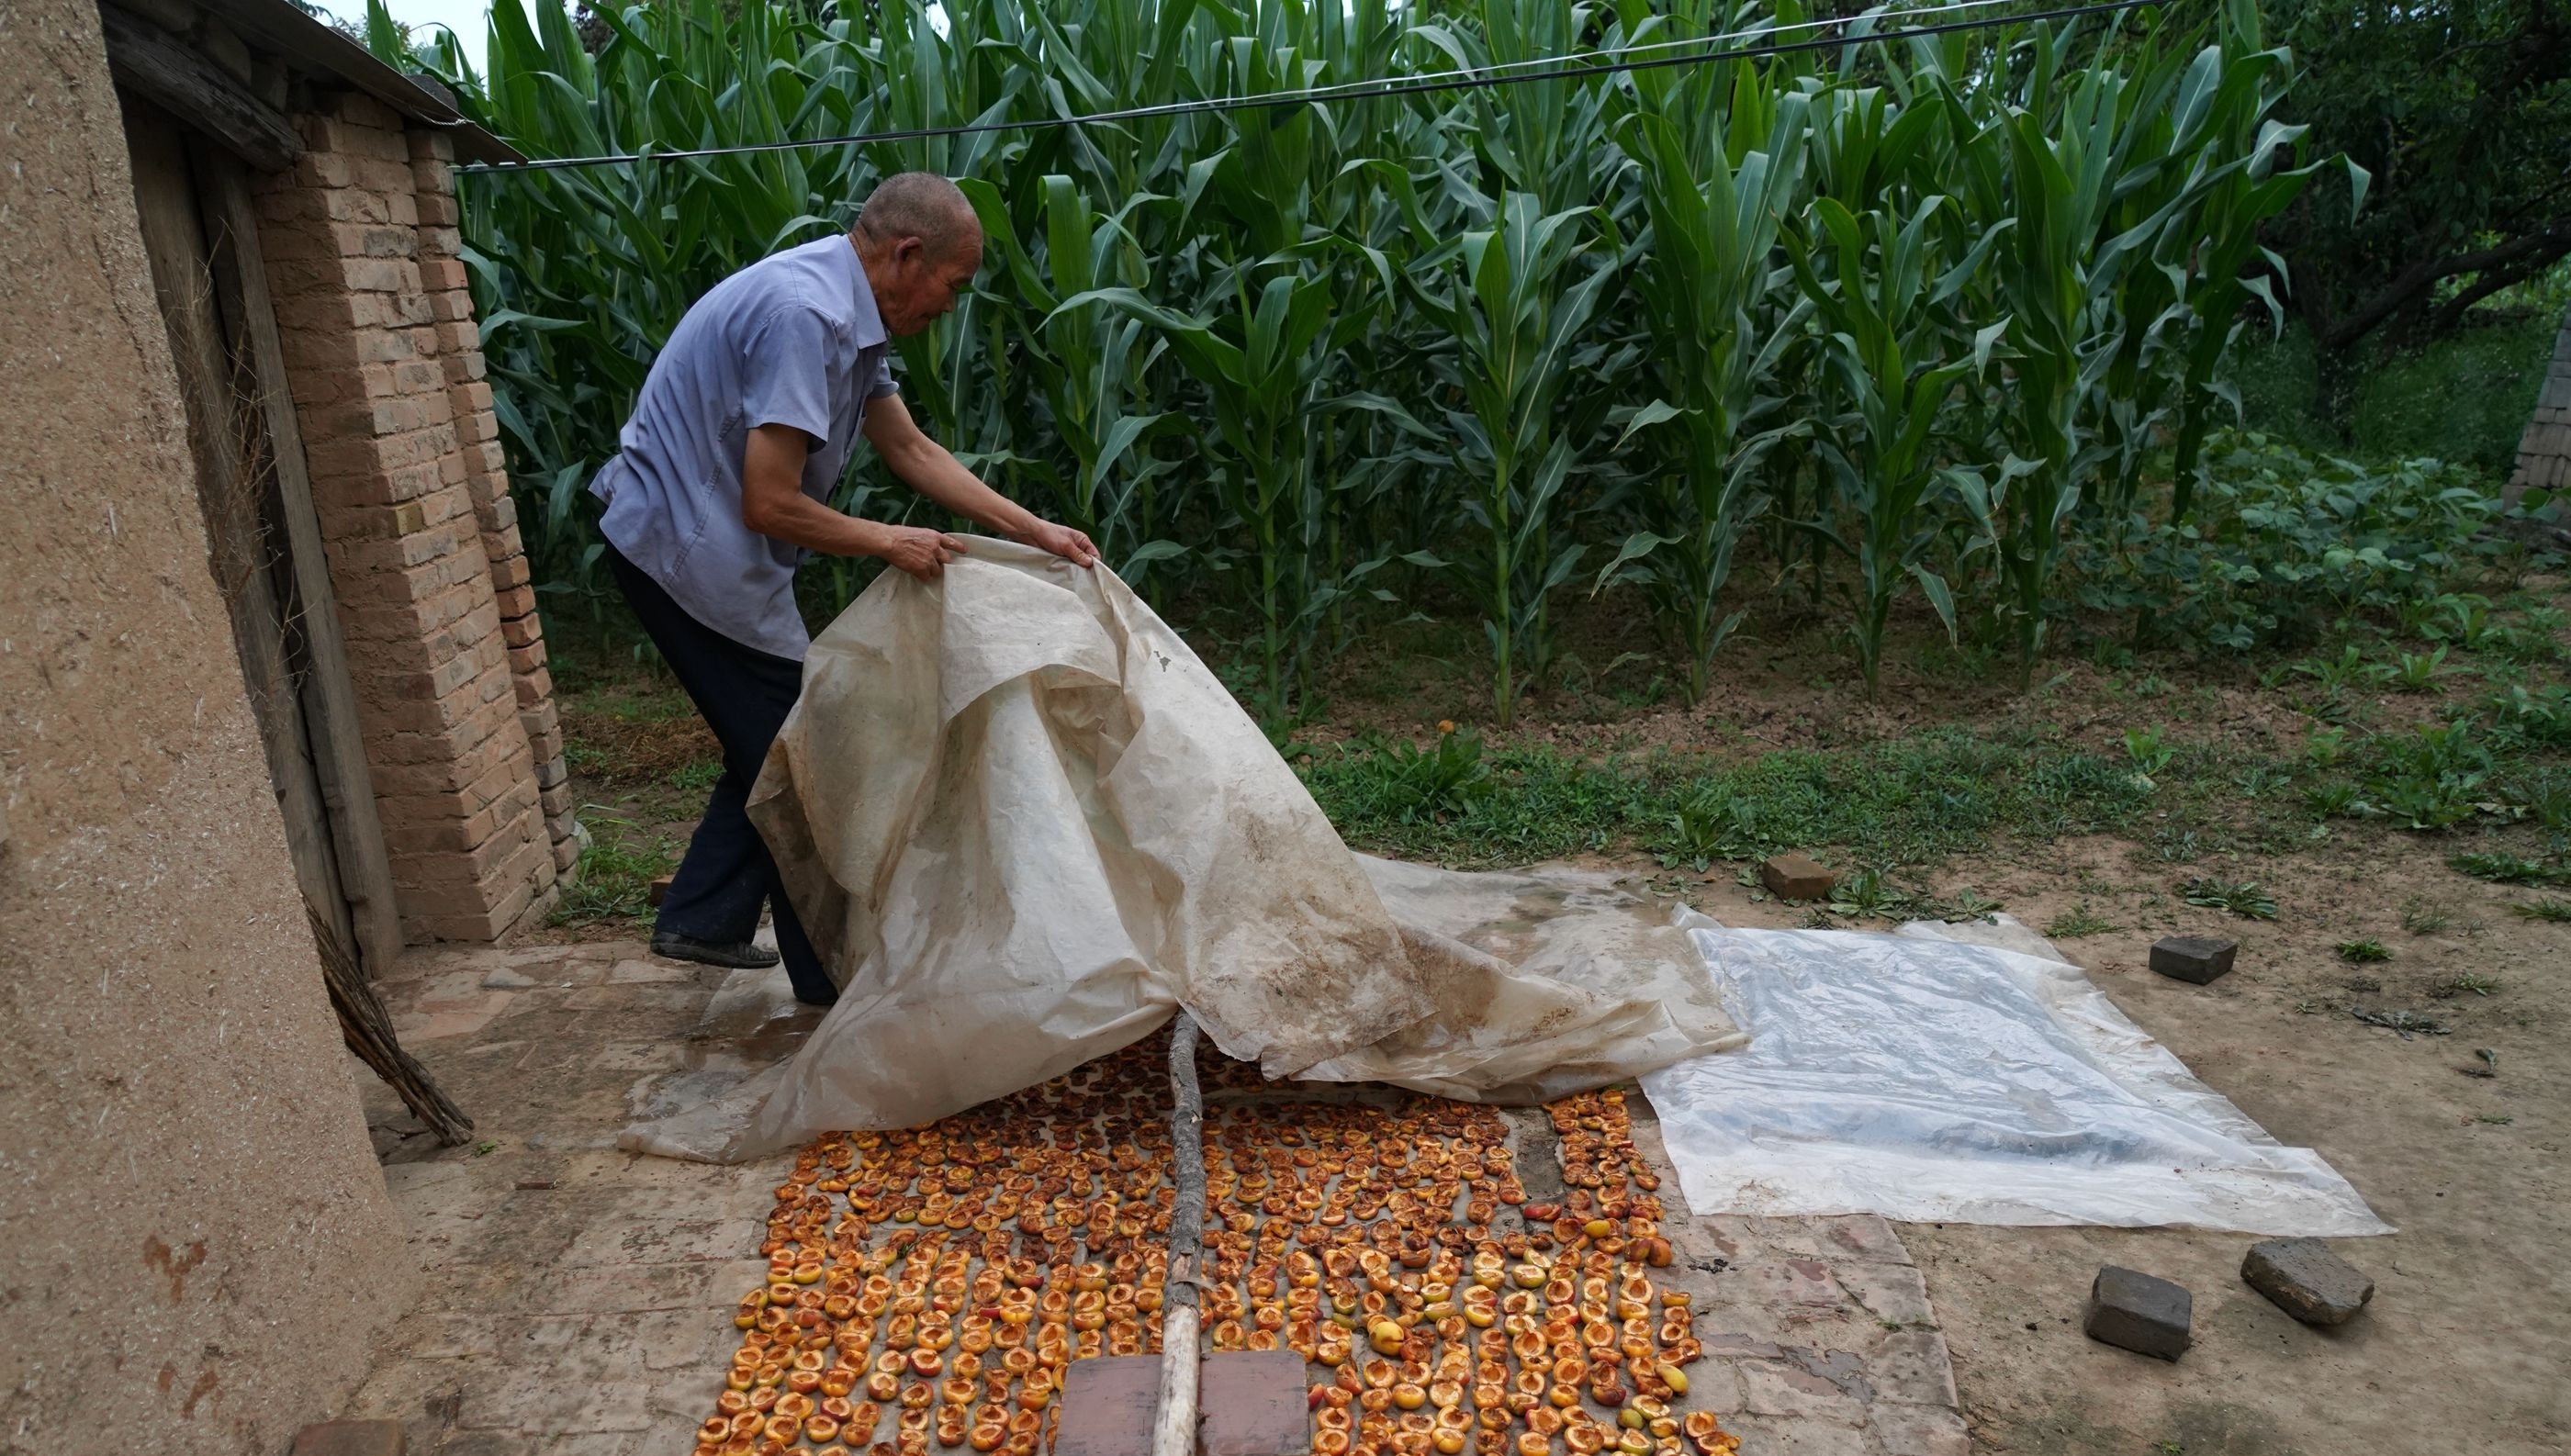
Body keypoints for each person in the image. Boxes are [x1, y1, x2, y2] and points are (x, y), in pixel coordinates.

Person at [589, 172, 1098, 1005]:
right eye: (952, 284)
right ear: (907, 255)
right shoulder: (807, 315)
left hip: (717, 546)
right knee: (807, 751)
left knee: (781, 743)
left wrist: (1033, 530)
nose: (950, 305)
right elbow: (770, 499)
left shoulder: (850, 320)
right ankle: (822, 975)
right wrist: (888, 541)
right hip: (679, 549)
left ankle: (707, 918)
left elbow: (912, 450)